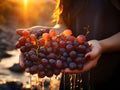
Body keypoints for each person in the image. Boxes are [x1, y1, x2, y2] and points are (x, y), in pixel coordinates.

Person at [19, 0, 120, 90]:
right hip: (70, 63)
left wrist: (102, 45)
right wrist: (56, 31)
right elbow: (62, 23)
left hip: (111, 71)